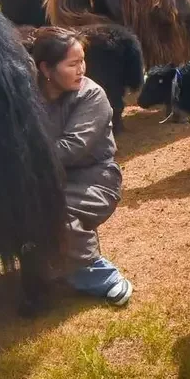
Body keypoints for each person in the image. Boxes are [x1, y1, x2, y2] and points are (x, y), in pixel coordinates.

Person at [29, 27, 133, 306]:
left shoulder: (92, 96)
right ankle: (48, 264)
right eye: (73, 64)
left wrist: (19, 162)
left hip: (95, 179)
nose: (81, 70)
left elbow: (71, 149)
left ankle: (100, 275)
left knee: (52, 209)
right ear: (46, 69)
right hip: (46, 177)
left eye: (82, 61)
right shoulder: (29, 95)